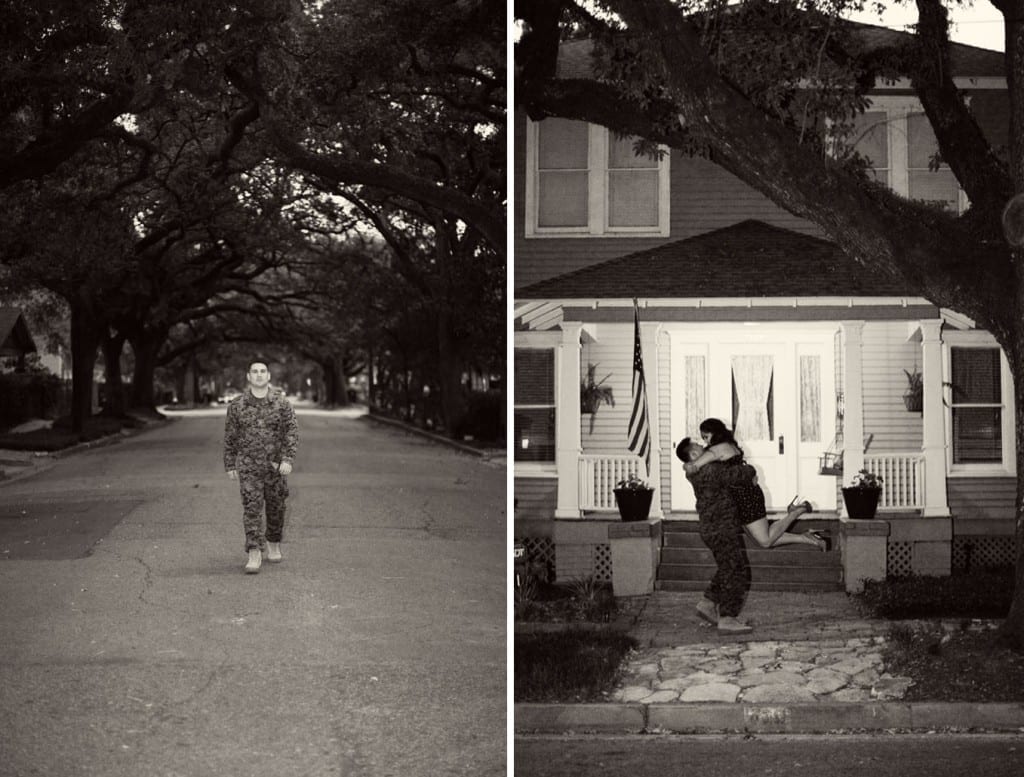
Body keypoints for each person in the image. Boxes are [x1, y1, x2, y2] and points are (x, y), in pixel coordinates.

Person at [684, 417, 829, 551]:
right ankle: (807, 538)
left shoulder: (717, 449)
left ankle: (796, 512)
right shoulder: (727, 445)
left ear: (715, 433)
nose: (705, 442)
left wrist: (686, 465)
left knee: (765, 541)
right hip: (744, 496)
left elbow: (694, 466)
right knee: (760, 540)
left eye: (706, 437)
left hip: (746, 497)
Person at [223, 358, 299, 574]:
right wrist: (230, 463)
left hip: (275, 467)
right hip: (249, 467)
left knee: (276, 508)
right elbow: (230, 437)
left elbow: (291, 432)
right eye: (254, 371)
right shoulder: (237, 405)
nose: (258, 374)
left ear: (268, 377)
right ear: (248, 377)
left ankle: (273, 541)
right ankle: (254, 551)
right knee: (251, 509)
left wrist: (287, 459)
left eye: (262, 371)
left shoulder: (281, 404)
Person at [675, 436, 756, 634]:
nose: (705, 447)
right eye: (699, 446)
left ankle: (707, 603)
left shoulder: (695, 472)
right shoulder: (711, 470)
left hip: (712, 526)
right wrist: (746, 466)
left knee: (727, 567)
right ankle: (728, 618)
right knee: (737, 572)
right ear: (694, 454)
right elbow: (742, 474)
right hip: (721, 527)